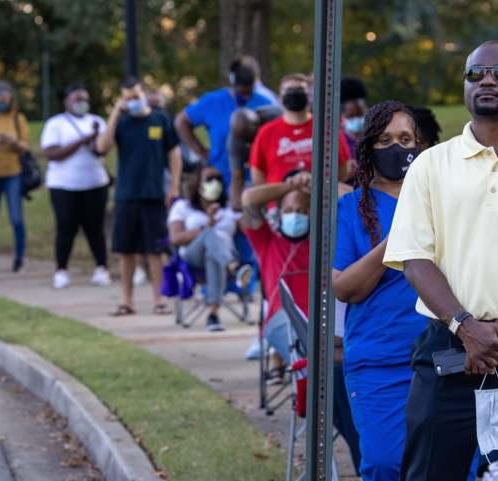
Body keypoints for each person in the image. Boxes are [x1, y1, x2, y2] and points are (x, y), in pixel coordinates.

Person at [384, 41, 498, 480]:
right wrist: (467, 327)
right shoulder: (431, 165)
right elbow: (414, 258)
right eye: (475, 74)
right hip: (449, 349)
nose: (488, 80)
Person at [241, 170, 362, 474]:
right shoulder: (267, 240)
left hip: (328, 325)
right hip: (285, 320)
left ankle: (361, 454)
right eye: (289, 211)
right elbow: (248, 200)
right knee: (324, 365)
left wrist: (321, 184)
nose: (295, 216)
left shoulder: (327, 240)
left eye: (302, 211)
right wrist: (290, 186)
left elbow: (357, 201)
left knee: (336, 372)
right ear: (279, 215)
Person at [332, 101, 428, 481]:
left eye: (405, 139)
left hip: (441, 361)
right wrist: (393, 242)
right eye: (385, 140)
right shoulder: (352, 208)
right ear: (368, 147)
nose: (396, 148)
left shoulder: (440, 201)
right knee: (387, 464)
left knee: (449, 465)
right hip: (379, 362)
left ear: (420, 147)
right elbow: (344, 288)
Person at [96, 77, 182, 316]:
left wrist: (173, 185)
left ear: (144, 94)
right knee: (126, 251)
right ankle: (127, 301)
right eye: (127, 98)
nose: (132, 101)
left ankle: (159, 299)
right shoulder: (122, 122)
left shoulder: (160, 119)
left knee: (155, 251)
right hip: (126, 195)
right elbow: (102, 147)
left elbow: (174, 153)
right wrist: (115, 111)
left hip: (154, 194)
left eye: (136, 96)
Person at [40, 84, 112, 289]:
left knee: (95, 228)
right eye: (76, 99)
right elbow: (52, 153)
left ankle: (101, 267)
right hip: (64, 185)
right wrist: (83, 140)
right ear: (66, 101)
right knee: (65, 228)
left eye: (84, 99)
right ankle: (61, 270)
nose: (81, 103)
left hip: (95, 184)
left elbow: (102, 150)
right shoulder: (56, 124)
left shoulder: (97, 122)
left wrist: (94, 142)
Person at [168, 166, 246, 331]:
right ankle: (233, 267)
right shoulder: (183, 207)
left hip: (222, 253)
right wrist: (207, 225)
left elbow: (248, 229)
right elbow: (175, 238)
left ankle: (213, 315)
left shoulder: (229, 208)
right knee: (210, 234)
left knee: (213, 255)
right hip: (193, 256)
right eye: (209, 179)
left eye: (218, 179)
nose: (214, 183)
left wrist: (244, 205)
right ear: (197, 184)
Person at [175, 58, 272, 188]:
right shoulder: (213, 101)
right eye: (242, 92)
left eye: (249, 92)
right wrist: (202, 152)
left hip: (255, 179)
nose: (245, 97)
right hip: (221, 178)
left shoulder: (265, 102)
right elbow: (182, 121)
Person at [250, 73, 351, 187]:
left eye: (300, 89)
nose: (294, 93)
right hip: (278, 202)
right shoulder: (266, 132)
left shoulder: (327, 129)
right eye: (289, 90)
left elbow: (343, 169)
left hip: (317, 201)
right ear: (279, 97)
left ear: (310, 96)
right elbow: (257, 173)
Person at [0, 80, 29, 273]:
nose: (0, 101)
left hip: (13, 174)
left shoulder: (17, 118)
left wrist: (13, 142)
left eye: (4, 97)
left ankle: (19, 257)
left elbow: (26, 146)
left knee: (16, 218)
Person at [340, 76, 369, 160]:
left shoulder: (375, 133)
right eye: (351, 116)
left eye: (359, 115)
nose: (356, 119)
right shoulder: (338, 138)